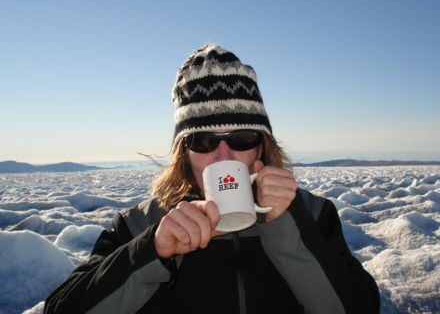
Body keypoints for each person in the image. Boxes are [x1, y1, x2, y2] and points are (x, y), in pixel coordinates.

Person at [44, 43, 380, 314]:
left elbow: (360, 307)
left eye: (242, 137)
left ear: (261, 145)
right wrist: (153, 252)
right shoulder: (139, 225)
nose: (224, 156)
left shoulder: (311, 213)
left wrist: (286, 228)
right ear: (183, 150)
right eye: (203, 140)